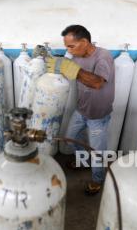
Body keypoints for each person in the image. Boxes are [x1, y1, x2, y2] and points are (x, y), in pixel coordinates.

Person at [46, 25, 115, 195]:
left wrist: (73, 70)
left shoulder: (103, 57)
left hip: (98, 115)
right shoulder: (76, 55)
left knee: (97, 152)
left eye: (71, 46)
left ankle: (98, 180)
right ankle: (82, 161)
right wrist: (47, 57)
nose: (68, 50)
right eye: (66, 46)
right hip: (81, 109)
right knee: (70, 139)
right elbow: (65, 65)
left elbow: (98, 83)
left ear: (84, 42)